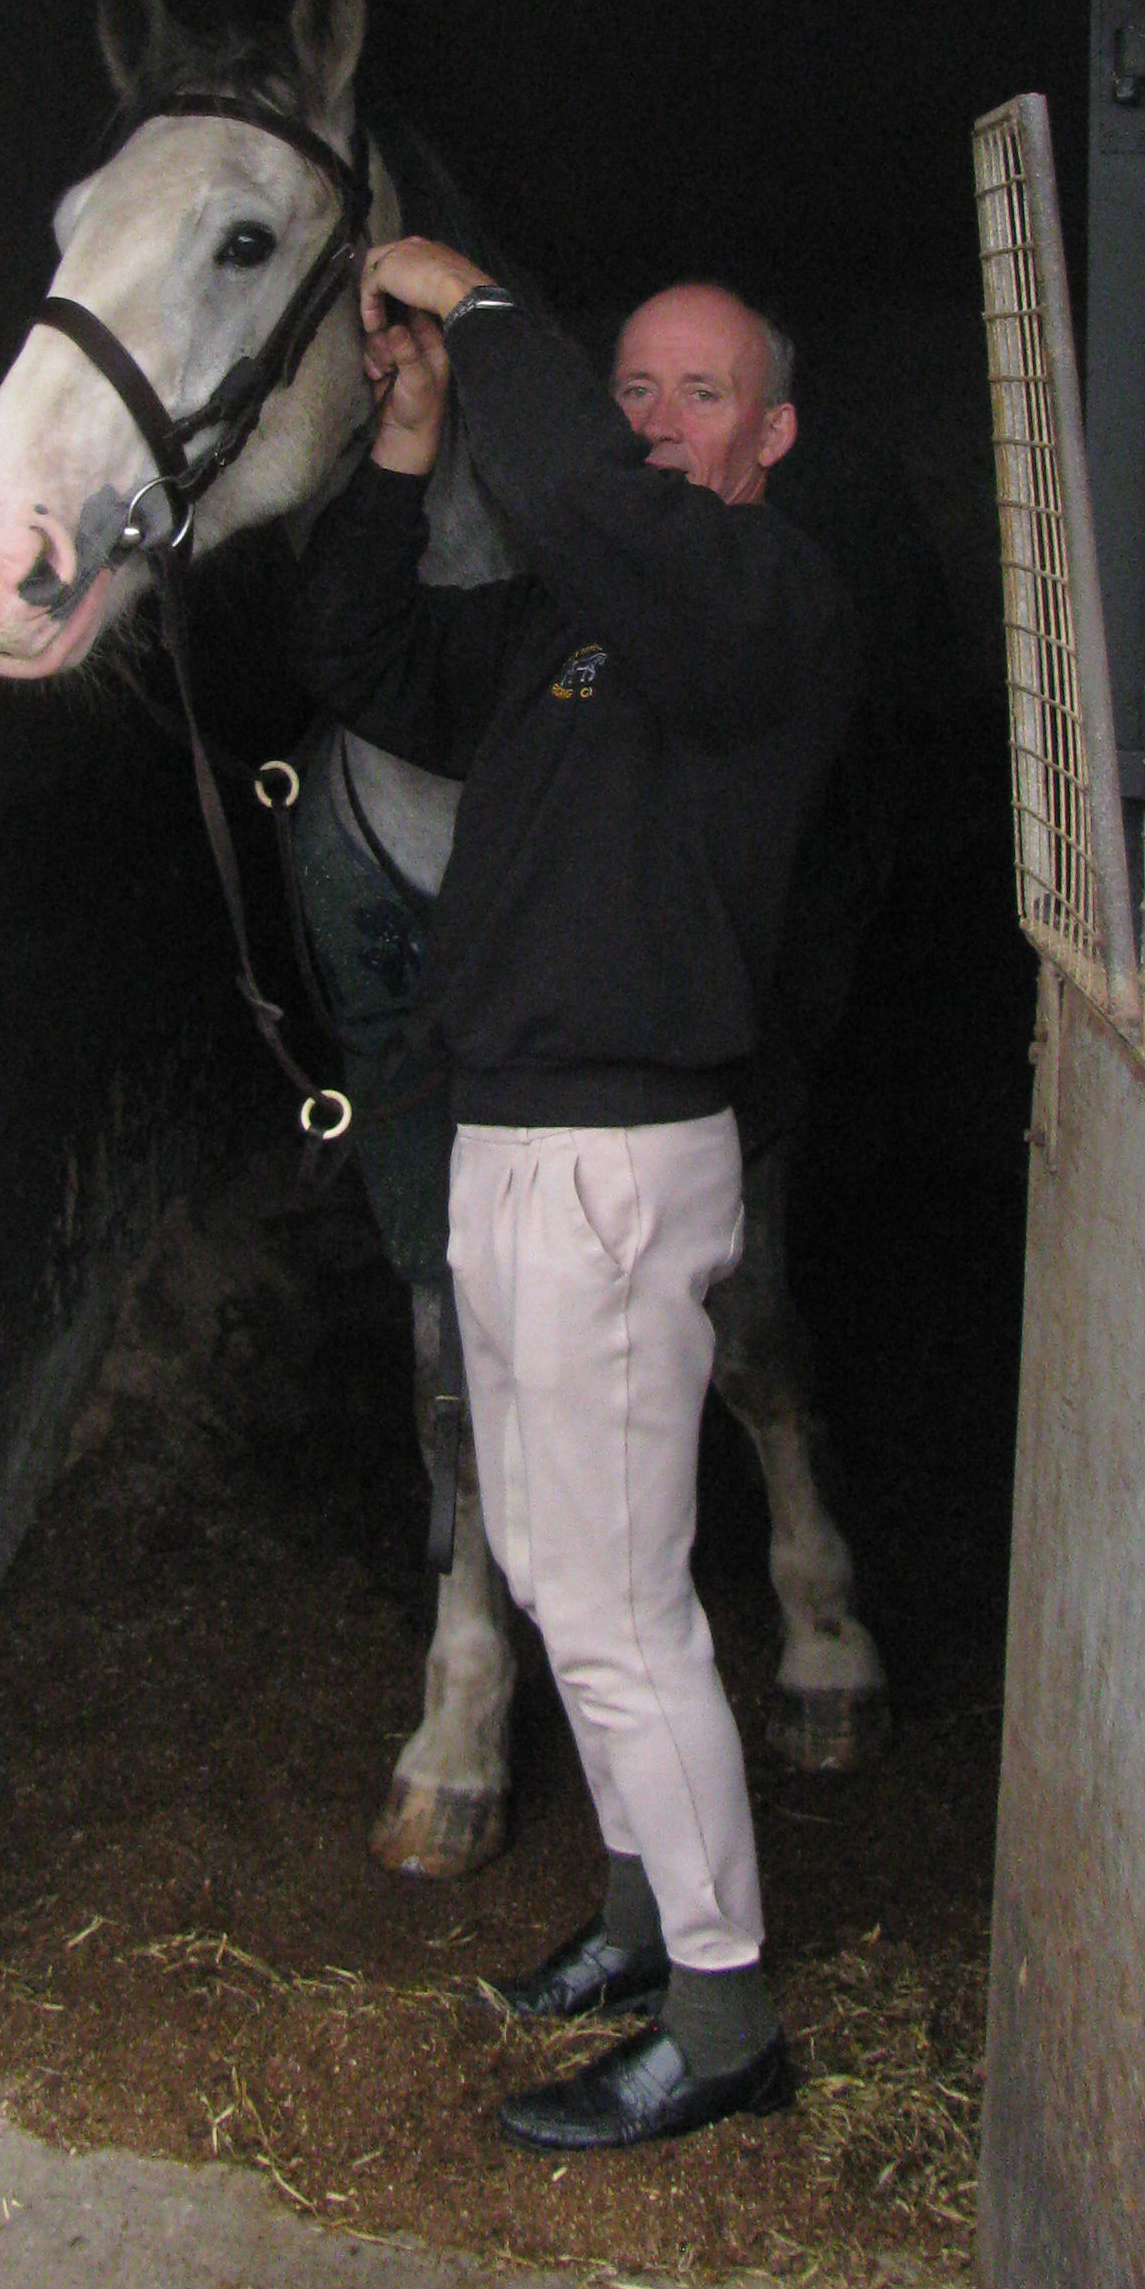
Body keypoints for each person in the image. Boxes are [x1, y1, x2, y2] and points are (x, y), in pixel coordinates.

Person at [291, 239, 858, 2153]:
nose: (659, 421)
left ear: (773, 435)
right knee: (543, 1566)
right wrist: (407, 445)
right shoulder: (566, 626)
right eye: (631, 387)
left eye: (704, 392)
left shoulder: (764, 601)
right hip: (509, 1143)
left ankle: (722, 2018)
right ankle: (635, 1917)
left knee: (616, 1609)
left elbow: (593, 503)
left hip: (619, 1160)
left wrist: (480, 311)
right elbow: (364, 658)